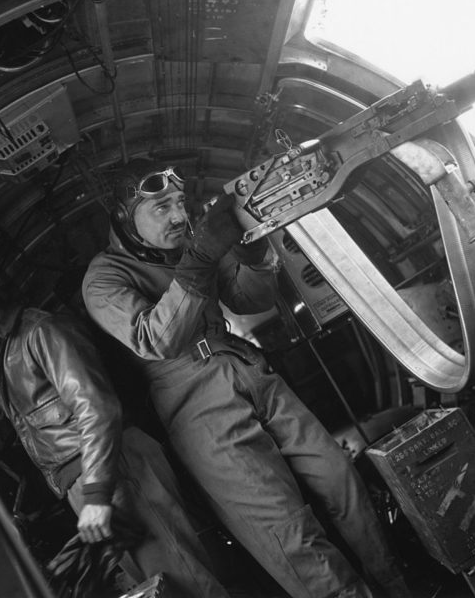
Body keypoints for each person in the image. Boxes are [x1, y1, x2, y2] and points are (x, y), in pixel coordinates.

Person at [82, 158, 412, 598]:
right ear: (124, 217)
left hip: (246, 367)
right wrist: (200, 257)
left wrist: (253, 251)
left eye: (180, 203)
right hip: (193, 401)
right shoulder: (104, 277)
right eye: (161, 208)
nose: (179, 216)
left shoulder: (186, 245)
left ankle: (396, 590)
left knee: (340, 479)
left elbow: (249, 299)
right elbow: (156, 340)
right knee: (286, 530)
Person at [0, 295, 230, 598]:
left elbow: (97, 408)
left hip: (115, 467)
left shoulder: (40, 332)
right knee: (163, 586)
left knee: (186, 579)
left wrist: (97, 493)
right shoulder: (1, 361)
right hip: (89, 481)